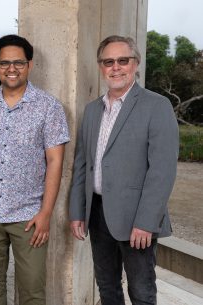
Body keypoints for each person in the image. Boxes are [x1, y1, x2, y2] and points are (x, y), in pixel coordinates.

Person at [0, 34, 69, 305]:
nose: (12, 68)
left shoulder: (49, 107)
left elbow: (56, 162)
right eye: (4, 63)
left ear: (29, 65)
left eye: (18, 62)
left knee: (32, 290)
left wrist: (45, 213)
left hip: (28, 215)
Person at [69, 35, 179, 305]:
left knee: (141, 292)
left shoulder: (157, 106)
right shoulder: (93, 110)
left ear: (136, 63)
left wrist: (146, 222)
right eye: (109, 61)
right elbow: (82, 163)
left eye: (123, 60)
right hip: (97, 214)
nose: (115, 67)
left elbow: (162, 171)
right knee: (106, 287)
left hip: (136, 220)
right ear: (100, 66)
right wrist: (77, 212)